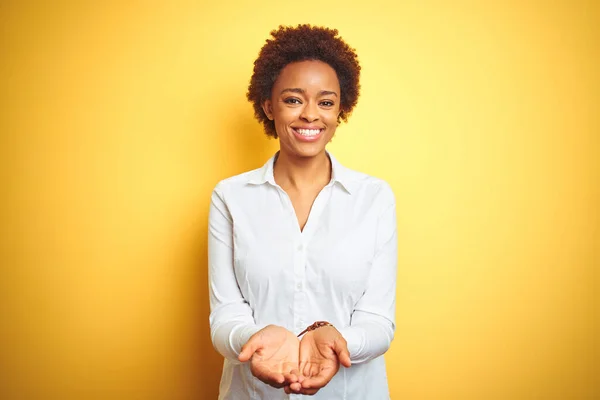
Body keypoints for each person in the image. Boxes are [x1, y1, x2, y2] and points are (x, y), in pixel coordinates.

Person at [208, 24, 398, 399]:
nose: (310, 115)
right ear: (268, 106)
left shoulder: (373, 198)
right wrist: (255, 339)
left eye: (325, 102)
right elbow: (225, 315)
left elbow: (378, 321)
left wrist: (339, 341)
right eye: (293, 100)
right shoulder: (230, 197)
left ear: (340, 110)